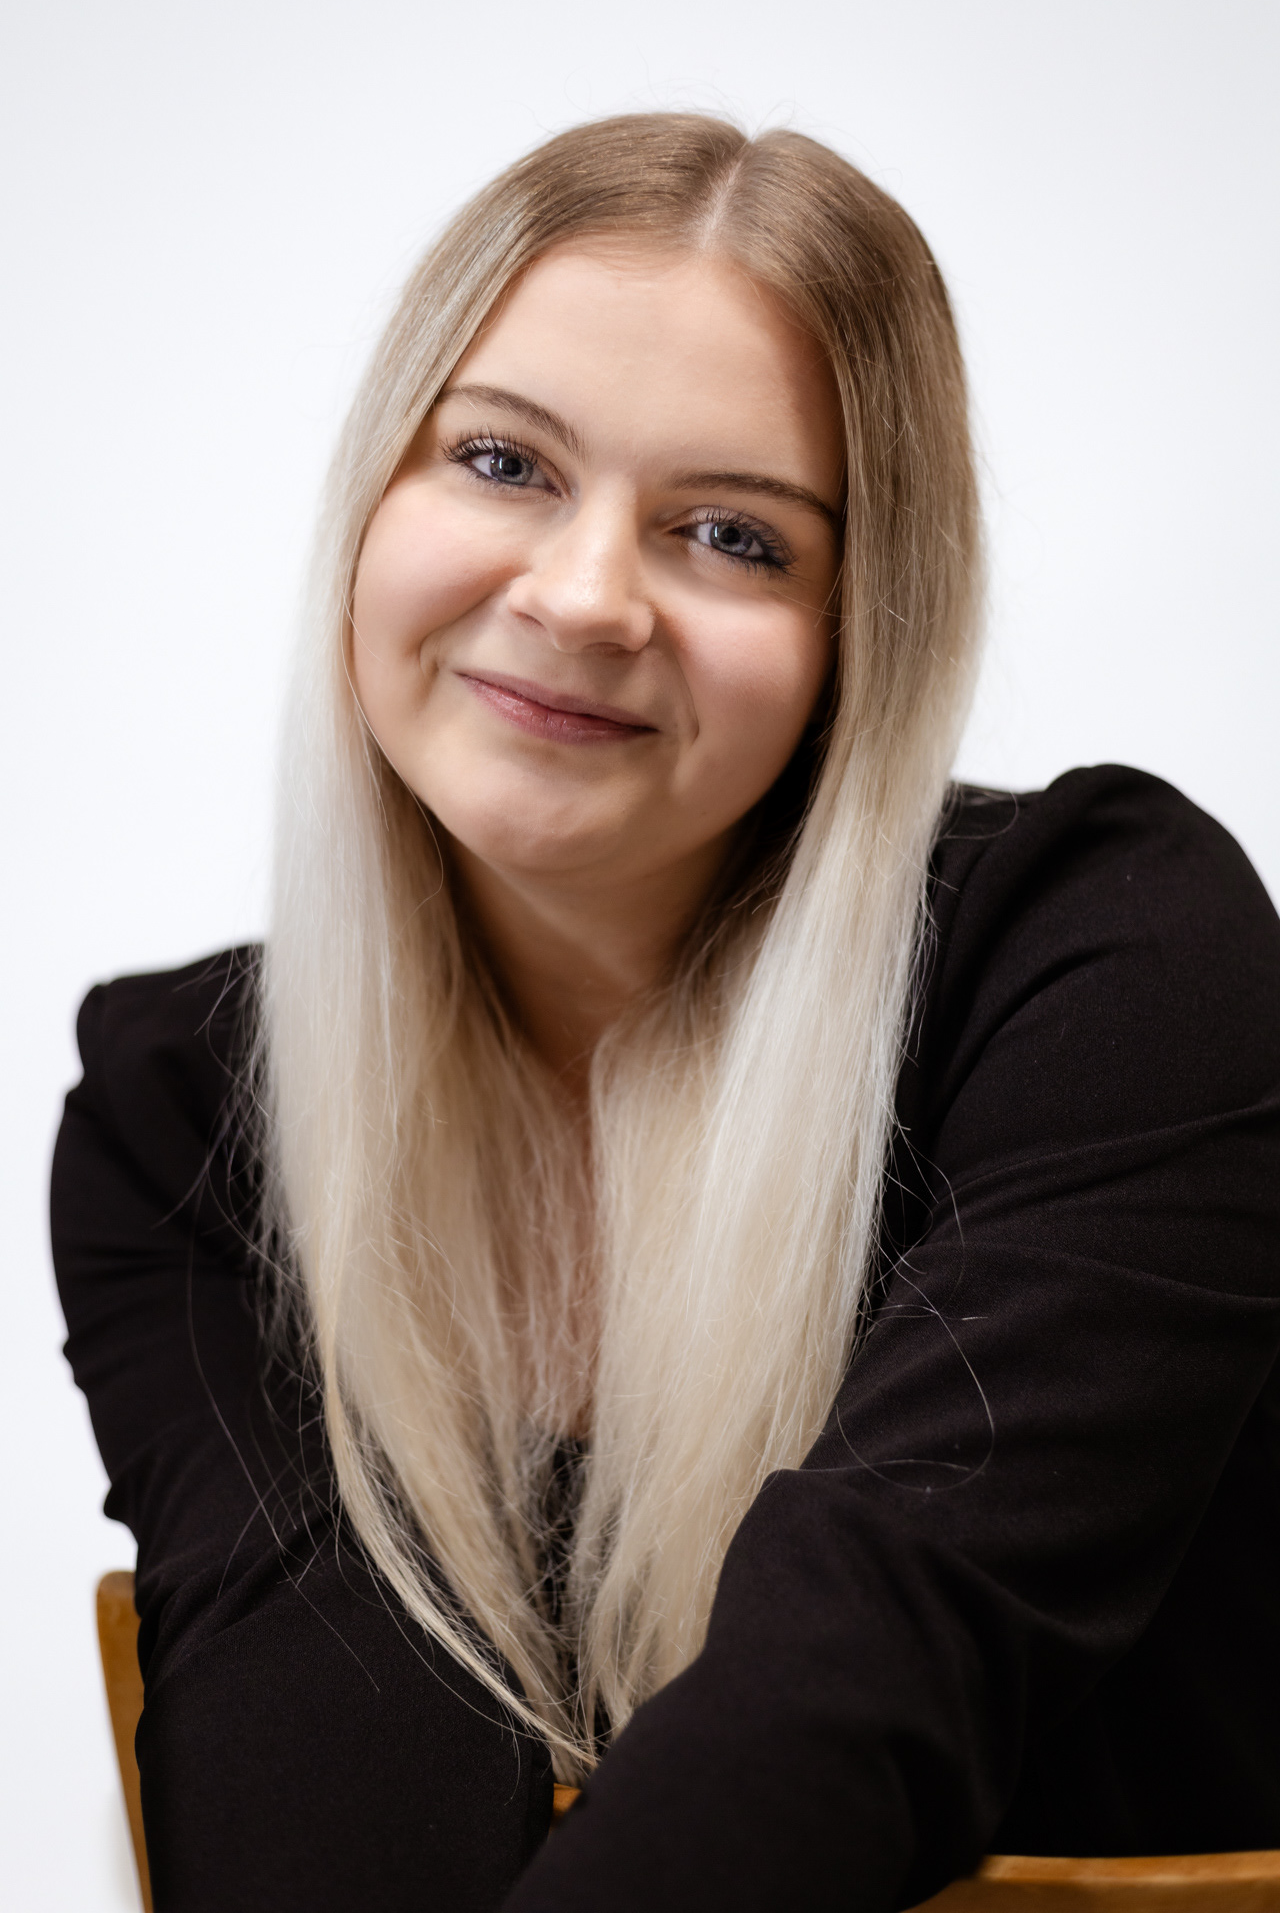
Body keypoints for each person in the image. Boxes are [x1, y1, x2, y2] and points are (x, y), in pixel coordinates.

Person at [51, 113, 1280, 1913]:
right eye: (502, 460)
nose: (582, 597)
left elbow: (863, 1688)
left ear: (859, 632)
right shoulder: (185, 1111)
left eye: (732, 535)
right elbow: (316, 1740)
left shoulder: (1107, 964)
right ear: (373, 500)